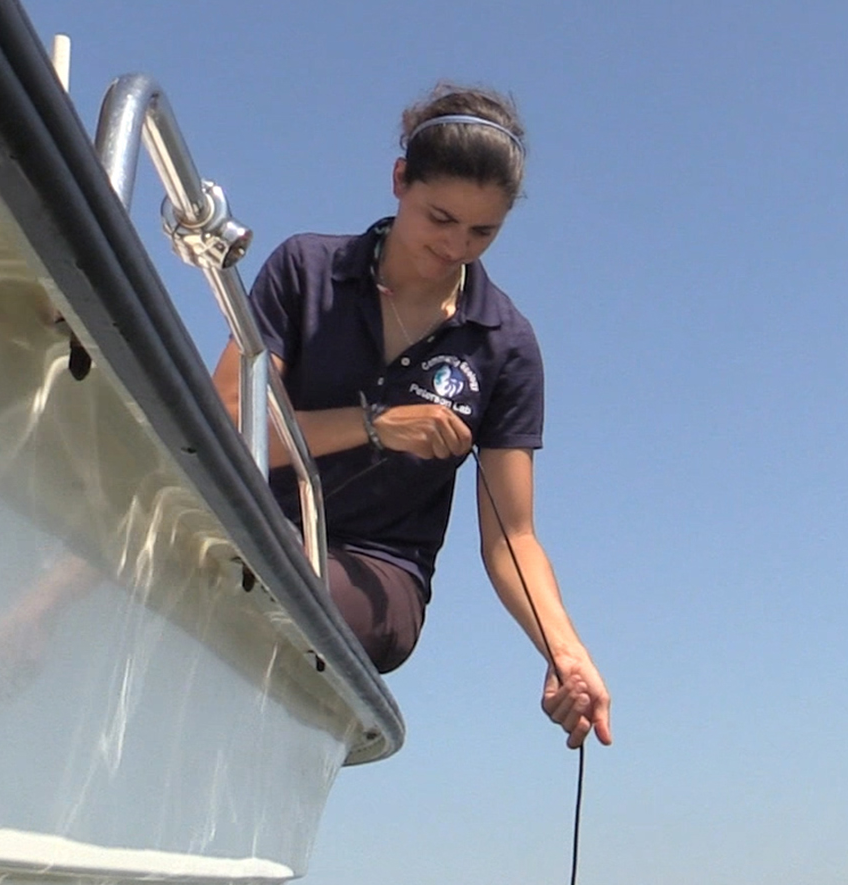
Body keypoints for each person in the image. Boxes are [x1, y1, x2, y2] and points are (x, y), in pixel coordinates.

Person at [212, 85, 610, 749]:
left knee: (254, 579)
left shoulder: (505, 346)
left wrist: (564, 652)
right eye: (440, 217)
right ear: (400, 181)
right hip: (242, 525)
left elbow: (512, 536)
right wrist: (376, 424)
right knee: (127, 545)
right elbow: (227, 424)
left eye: (482, 231)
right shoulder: (305, 269)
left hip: (379, 574)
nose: (456, 245)